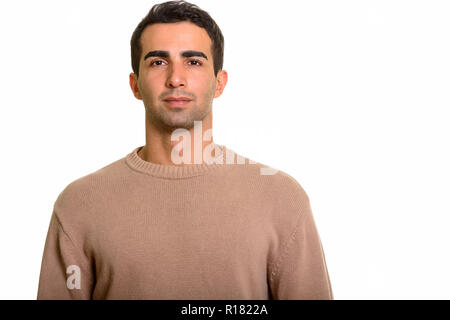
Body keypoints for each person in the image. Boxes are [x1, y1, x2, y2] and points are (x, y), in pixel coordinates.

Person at [37, 0, 333, 300]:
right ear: (135, 85)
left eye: (193, 61)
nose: (175, 78)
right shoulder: (79, 205)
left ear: (219, 82)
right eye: (158, 62)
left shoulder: (281, 199)